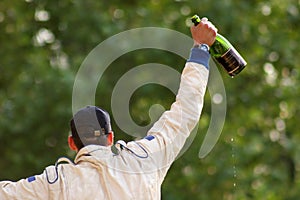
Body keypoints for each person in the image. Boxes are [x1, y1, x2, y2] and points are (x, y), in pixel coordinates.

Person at [0, 17, 217, 199]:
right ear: (110, 137)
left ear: (72, 143)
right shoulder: (144, 161)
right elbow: (186, 111)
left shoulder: (55, 184)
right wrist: (201, 48)